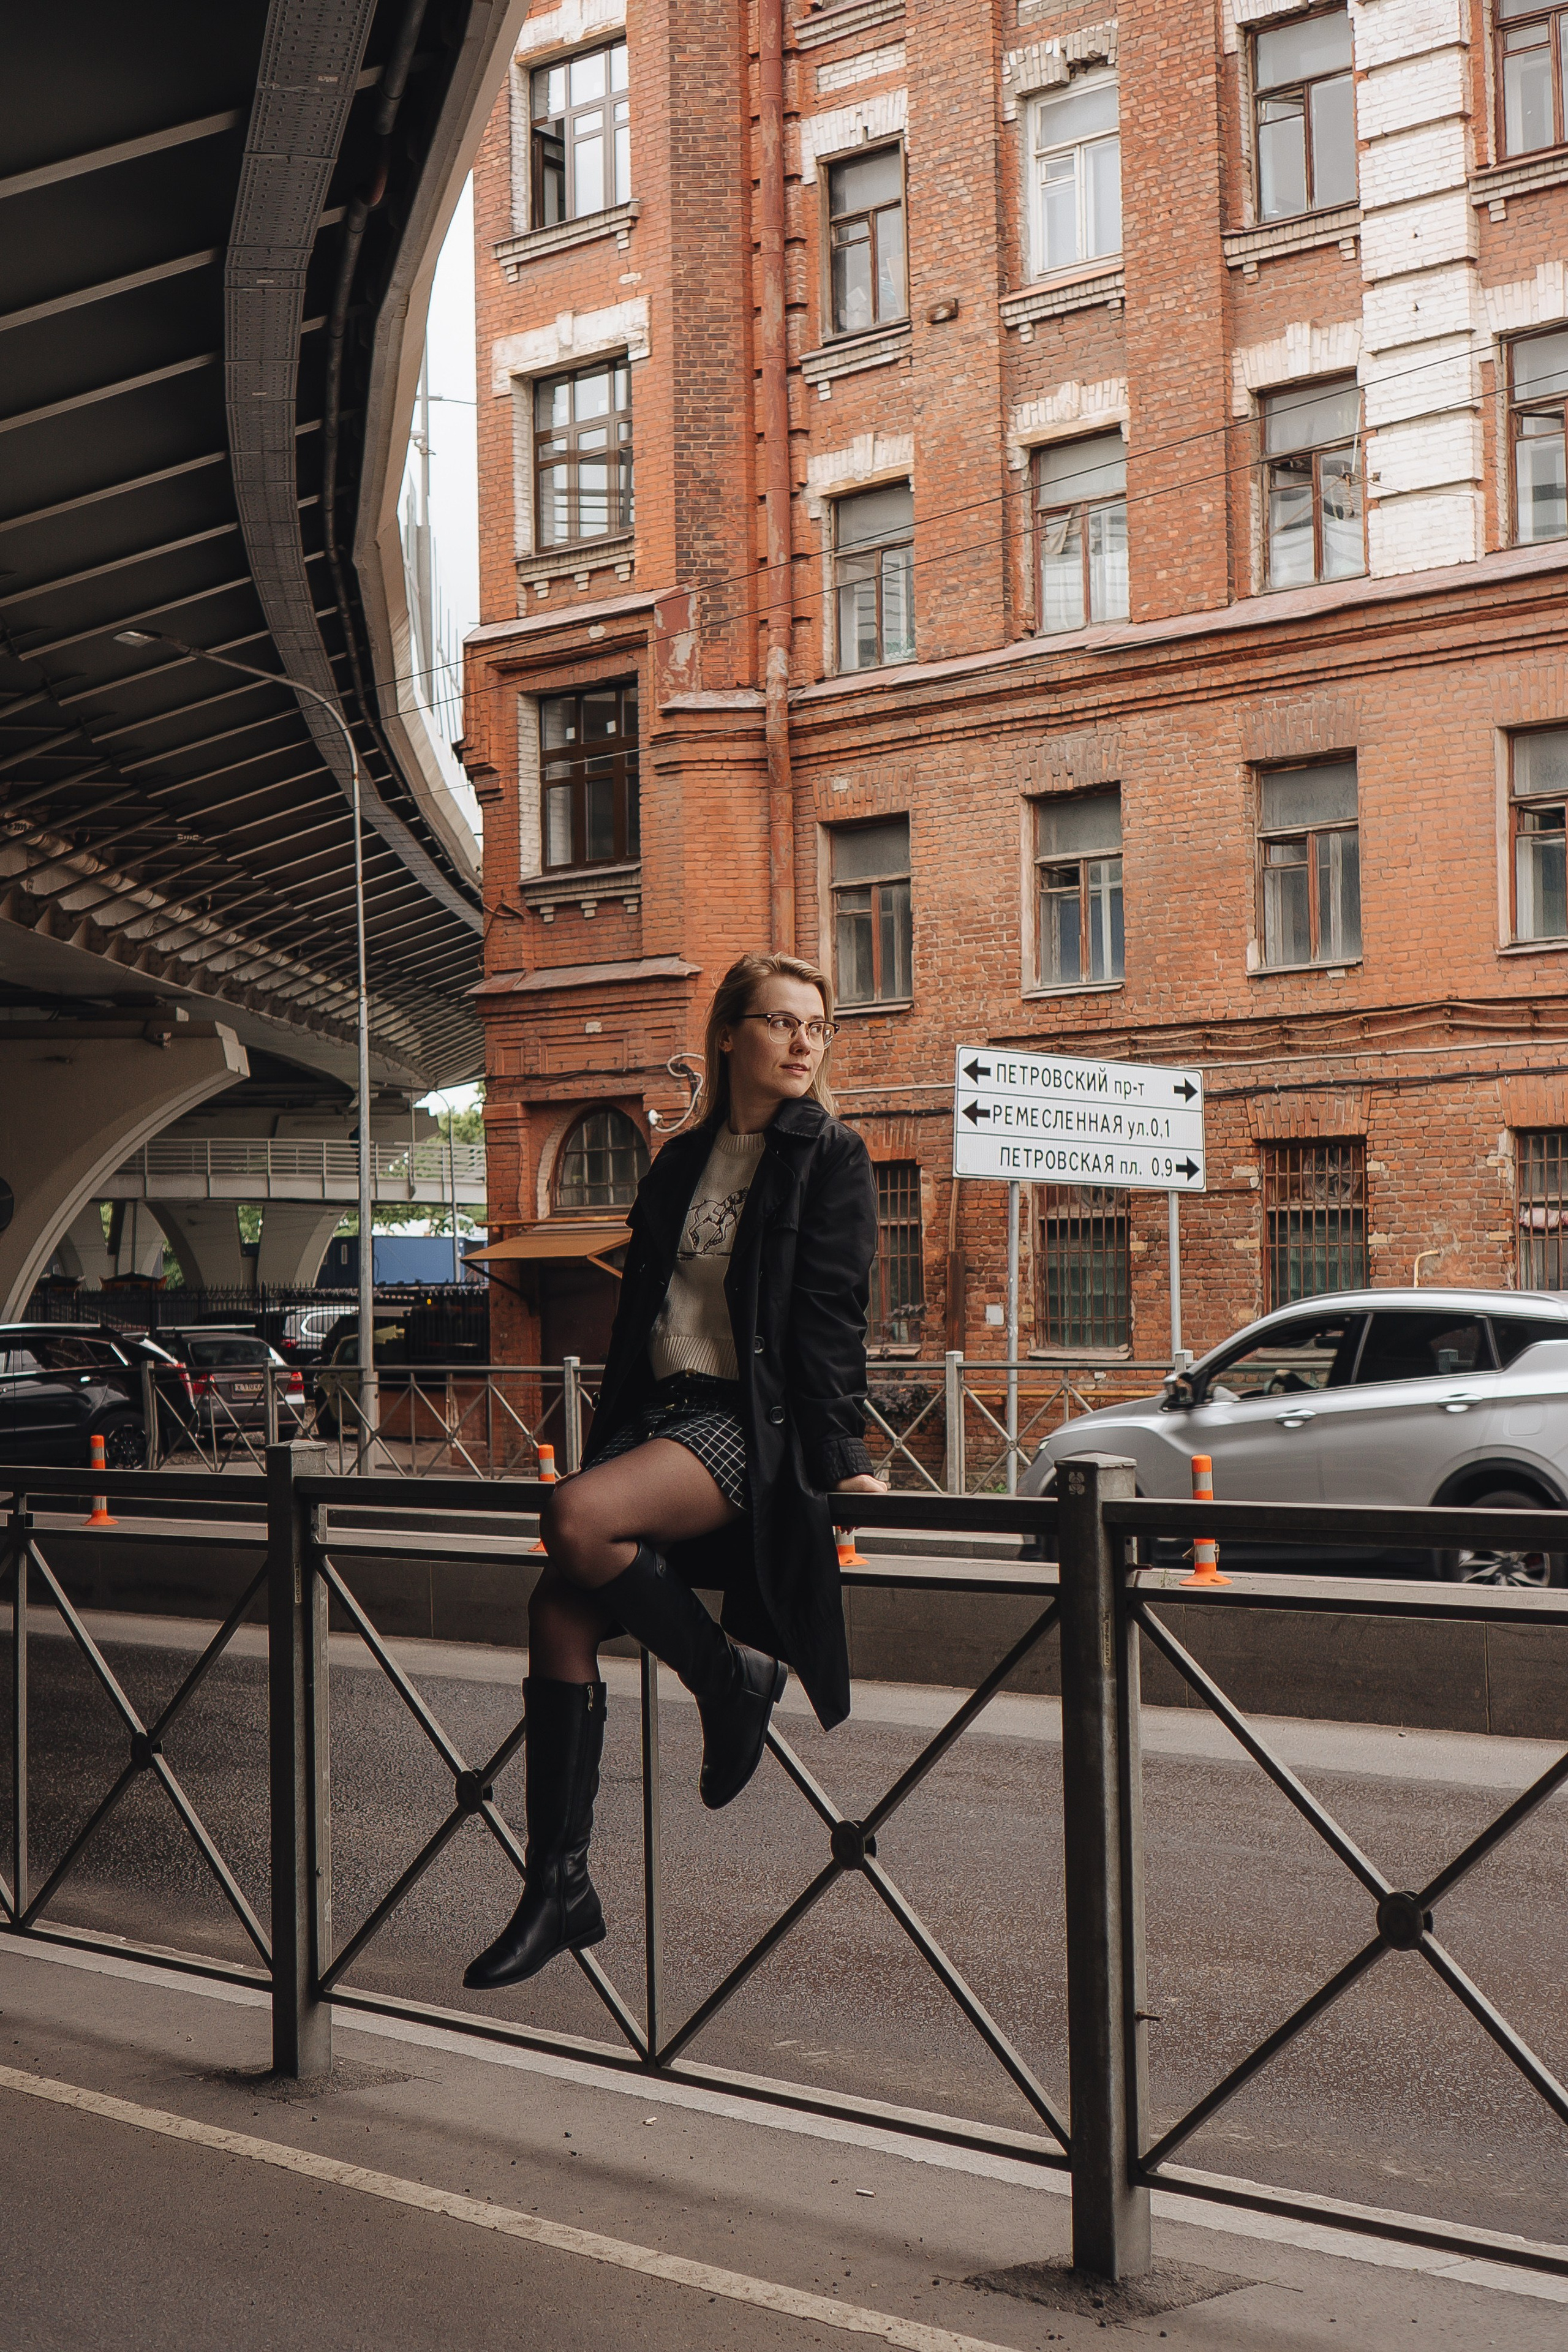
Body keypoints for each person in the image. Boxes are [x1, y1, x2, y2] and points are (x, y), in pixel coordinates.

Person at [464, 951, 886, 1991]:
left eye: (816, 1027)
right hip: (662, 1417)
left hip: (753, 1425)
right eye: (781, 1022)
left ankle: (731, 1677)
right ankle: (558, 1884)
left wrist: (843, 1459)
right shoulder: (678, 1164)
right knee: (557, 1612)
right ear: (731, 1036)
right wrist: (621, 1436)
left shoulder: (828, 1157)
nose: (801, 1043)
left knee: (576, 1521)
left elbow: (834, 1319)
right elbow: (641, 1318)